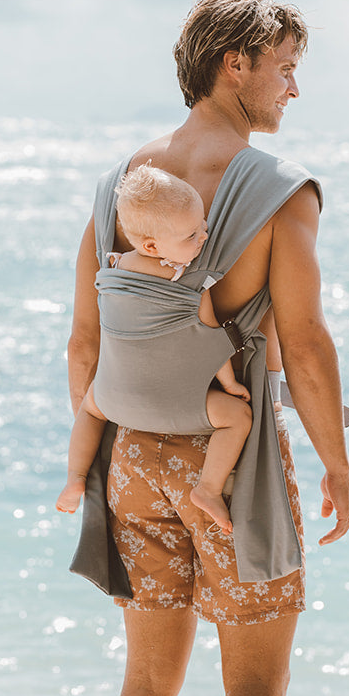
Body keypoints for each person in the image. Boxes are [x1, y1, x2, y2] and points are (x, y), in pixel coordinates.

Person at [67, 0, 349, 696]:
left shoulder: (122, 182)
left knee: (147, 681)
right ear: (233, 63)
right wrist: (335, 465)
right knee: (255, 688)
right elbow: (305, 345)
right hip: (232, 465)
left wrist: (100, 450)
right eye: (282, 64)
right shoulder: (279, 186)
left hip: (134, 457)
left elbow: (85, 343)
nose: (292, 84)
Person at [55, 164, 252, 533]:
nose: (205, 236)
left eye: (204, 224)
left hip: (115, 404)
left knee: (89, 408)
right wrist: (230, 385)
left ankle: (74, 478)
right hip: (172, 406)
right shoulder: (193, 282)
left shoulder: (110, 270)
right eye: (192, 234)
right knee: (237, 418)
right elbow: (212, 341)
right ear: (151, 246)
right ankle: (208, 490)